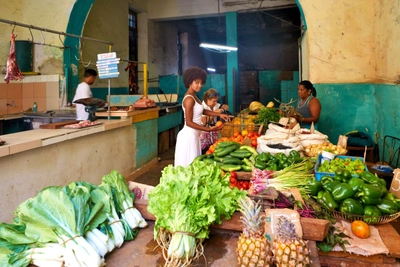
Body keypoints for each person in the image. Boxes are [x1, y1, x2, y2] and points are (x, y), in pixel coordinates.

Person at [174, 67, 231, 167]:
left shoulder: (194, 96)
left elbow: (202, 110)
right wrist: (208, 129)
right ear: (189, 82)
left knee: (194, 166)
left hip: (195, 135)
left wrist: (219, 114)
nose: (200, 85)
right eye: (197, 82)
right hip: (188, 137)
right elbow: (188, 122)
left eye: (201, 82)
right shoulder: (189, 99)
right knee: (188, 167)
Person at [200, 88, 230, 153]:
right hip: (204, 135)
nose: (216, 102)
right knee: (206, 151)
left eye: (216, 100)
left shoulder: (215, 104)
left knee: (214, 150)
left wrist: (224, 108)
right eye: (214, 101)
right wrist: (216, 112)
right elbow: (204, 122)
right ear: (208, 99)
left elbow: (226, 106)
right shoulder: (201, 107)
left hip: (214, 132)